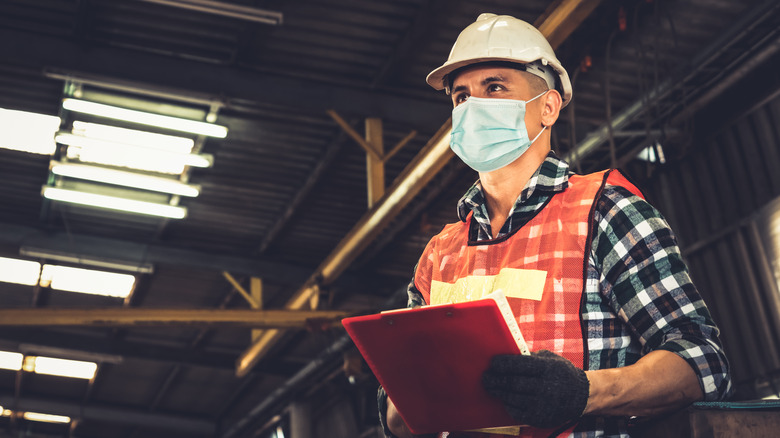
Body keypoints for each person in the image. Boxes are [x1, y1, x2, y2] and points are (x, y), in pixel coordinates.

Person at [377, 13, 731, 438]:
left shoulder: (606, 212)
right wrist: (402, 402)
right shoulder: (440, 254)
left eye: (494, 87)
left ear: (548, 106)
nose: (473, 108)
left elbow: (703, 360)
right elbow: (398, 414)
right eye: (460, 97)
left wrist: (585, 392)